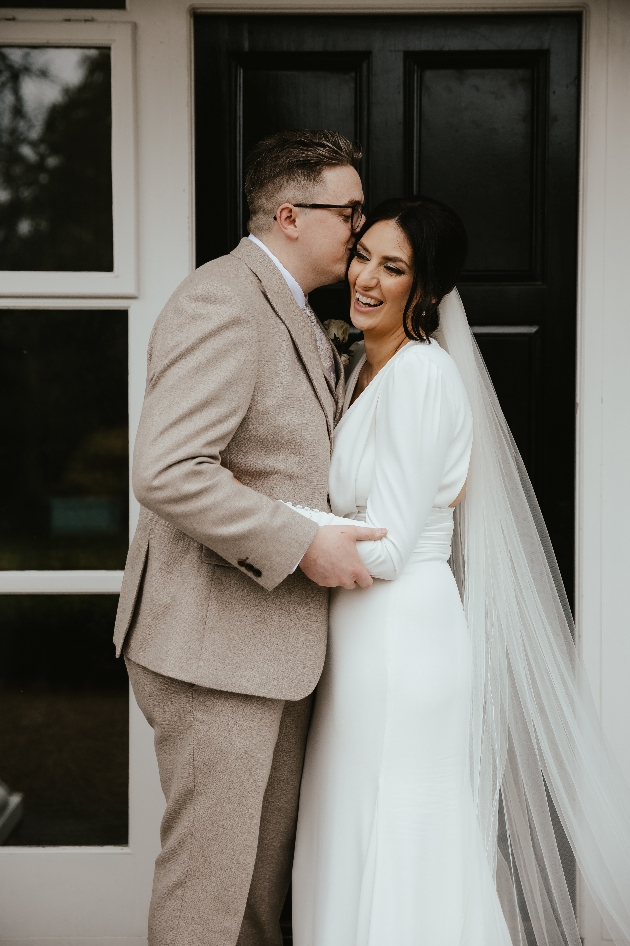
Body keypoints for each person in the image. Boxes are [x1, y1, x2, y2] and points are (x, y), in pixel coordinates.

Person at [289, 197, 630, 946]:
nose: (367, 278)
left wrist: (276, 519)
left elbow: (384, 548)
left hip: (403, 638)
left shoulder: (421, 378)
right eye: (363, 255)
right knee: (349, 820)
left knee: (399, 830)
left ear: (429, 290)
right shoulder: (361, 372)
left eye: (395, 267)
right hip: (361, 638)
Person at [112, 130, 387, 946]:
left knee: (259, 902)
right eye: (351, 212)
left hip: (267, 650)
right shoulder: (223, 298)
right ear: (290, 213)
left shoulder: (296, 312)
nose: (362, 232)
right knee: (213, 894)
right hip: (211, 650)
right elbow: (166, 469)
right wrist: (301, 543)